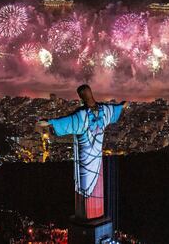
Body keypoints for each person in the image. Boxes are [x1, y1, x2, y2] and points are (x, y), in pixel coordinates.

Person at [36, 84, 127, 220]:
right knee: (96, 183)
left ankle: (86, 216)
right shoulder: (104, 110)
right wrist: (122, 105)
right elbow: (117, 109)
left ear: (81, 97)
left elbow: (66, 122)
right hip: (97, 158)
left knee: (84, 186)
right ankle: (95, 213)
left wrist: (50, 122)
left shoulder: (82, 115)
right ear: (91, 93)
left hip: (85, 158)